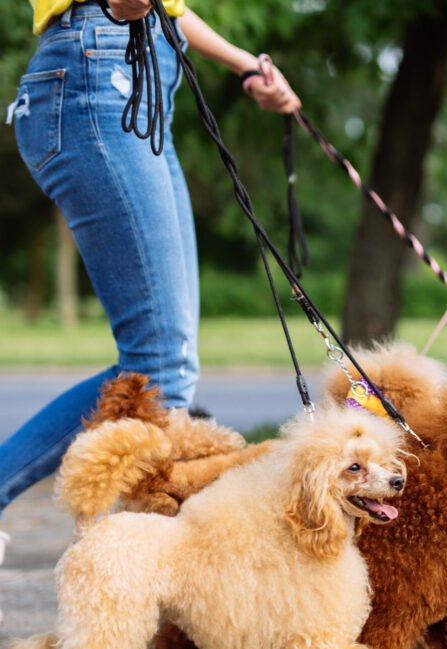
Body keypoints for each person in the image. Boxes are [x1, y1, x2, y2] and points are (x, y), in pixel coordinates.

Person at [0, 0, 301, 582]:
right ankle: (158, 574)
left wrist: (247, 65)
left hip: (137, 82)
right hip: (95, 75)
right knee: (157, 364)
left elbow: (171, 7)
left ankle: (165, 576)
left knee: (171, 371)